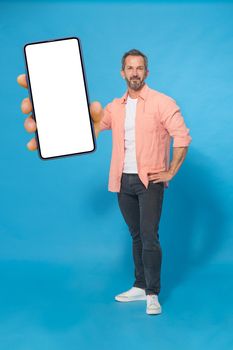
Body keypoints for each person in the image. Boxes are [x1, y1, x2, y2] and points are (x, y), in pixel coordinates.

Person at [17, 49, 192, 316]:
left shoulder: (163, 103)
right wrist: (59, 114)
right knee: (136, 236)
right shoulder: (114, 107)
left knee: (148, 237)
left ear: (147, 72)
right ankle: (140, 285)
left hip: (149, 182)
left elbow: (182, 137)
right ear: (122, 73)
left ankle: (153, 294)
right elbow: (94, 125)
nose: (135, 72)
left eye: (140, 68)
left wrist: (170, 173)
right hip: (122, 182)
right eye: (130, 68)